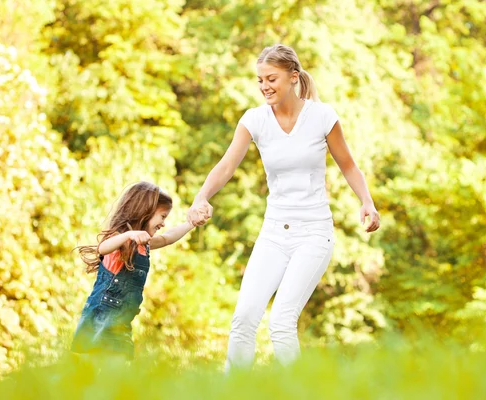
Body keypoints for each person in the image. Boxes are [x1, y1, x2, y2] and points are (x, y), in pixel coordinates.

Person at [187, 44, 380, 370]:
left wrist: (367, 202)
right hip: (274, 232)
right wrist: (201, 197)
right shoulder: (254, 120)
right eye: (260, 80)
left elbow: (348, 164)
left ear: (293, 77)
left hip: (314, 233)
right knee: (244, 317)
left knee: (281, 321)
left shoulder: (322, 116)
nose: (264, 86)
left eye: (271, 79)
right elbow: (226, 166)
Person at [72, 181, 195, 359]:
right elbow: (103, 248)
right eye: (162, 216)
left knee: (114, 374)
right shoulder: (120, 241)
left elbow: (168, 238)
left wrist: (190, 224)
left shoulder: (144, 245)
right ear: (145, 211)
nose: (163, 223)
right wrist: (128, 235)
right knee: (92, 370)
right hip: (102, 320)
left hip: (121, 323)